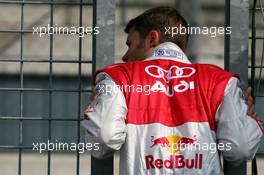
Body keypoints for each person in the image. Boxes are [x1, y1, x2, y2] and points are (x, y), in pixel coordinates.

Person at [82, 6, 263, 175]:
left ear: (152, 38)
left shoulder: (118, 77)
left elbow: (103, 139)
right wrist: (248, 121)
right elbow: (241, 147)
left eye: (130, 44)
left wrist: (97, 110)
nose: (125, 55)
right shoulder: (220, 80)